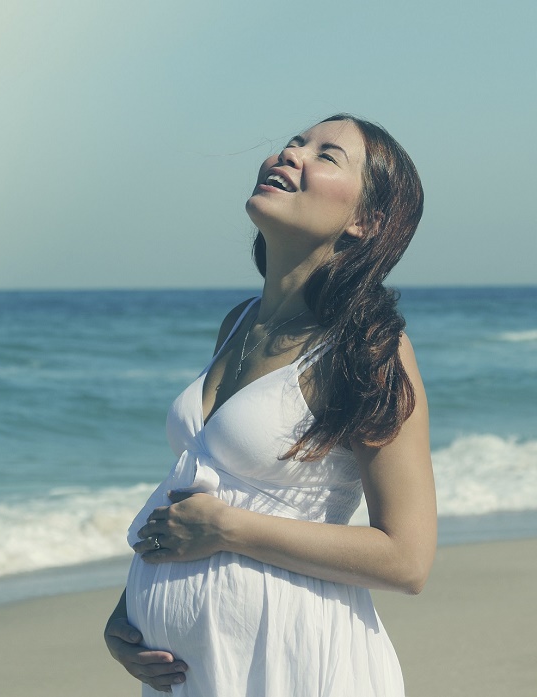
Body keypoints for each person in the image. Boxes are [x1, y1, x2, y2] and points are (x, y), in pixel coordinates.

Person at [104, 114, 435, 696]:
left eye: (327, 155)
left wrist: (230, 529)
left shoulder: (367, 346)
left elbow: (406, 558)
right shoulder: (238, 324)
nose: (291, 153)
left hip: (295, 664)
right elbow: (202, 488)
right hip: (196, 676)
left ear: (366, 220)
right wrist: (127, 611)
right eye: (295, 141)